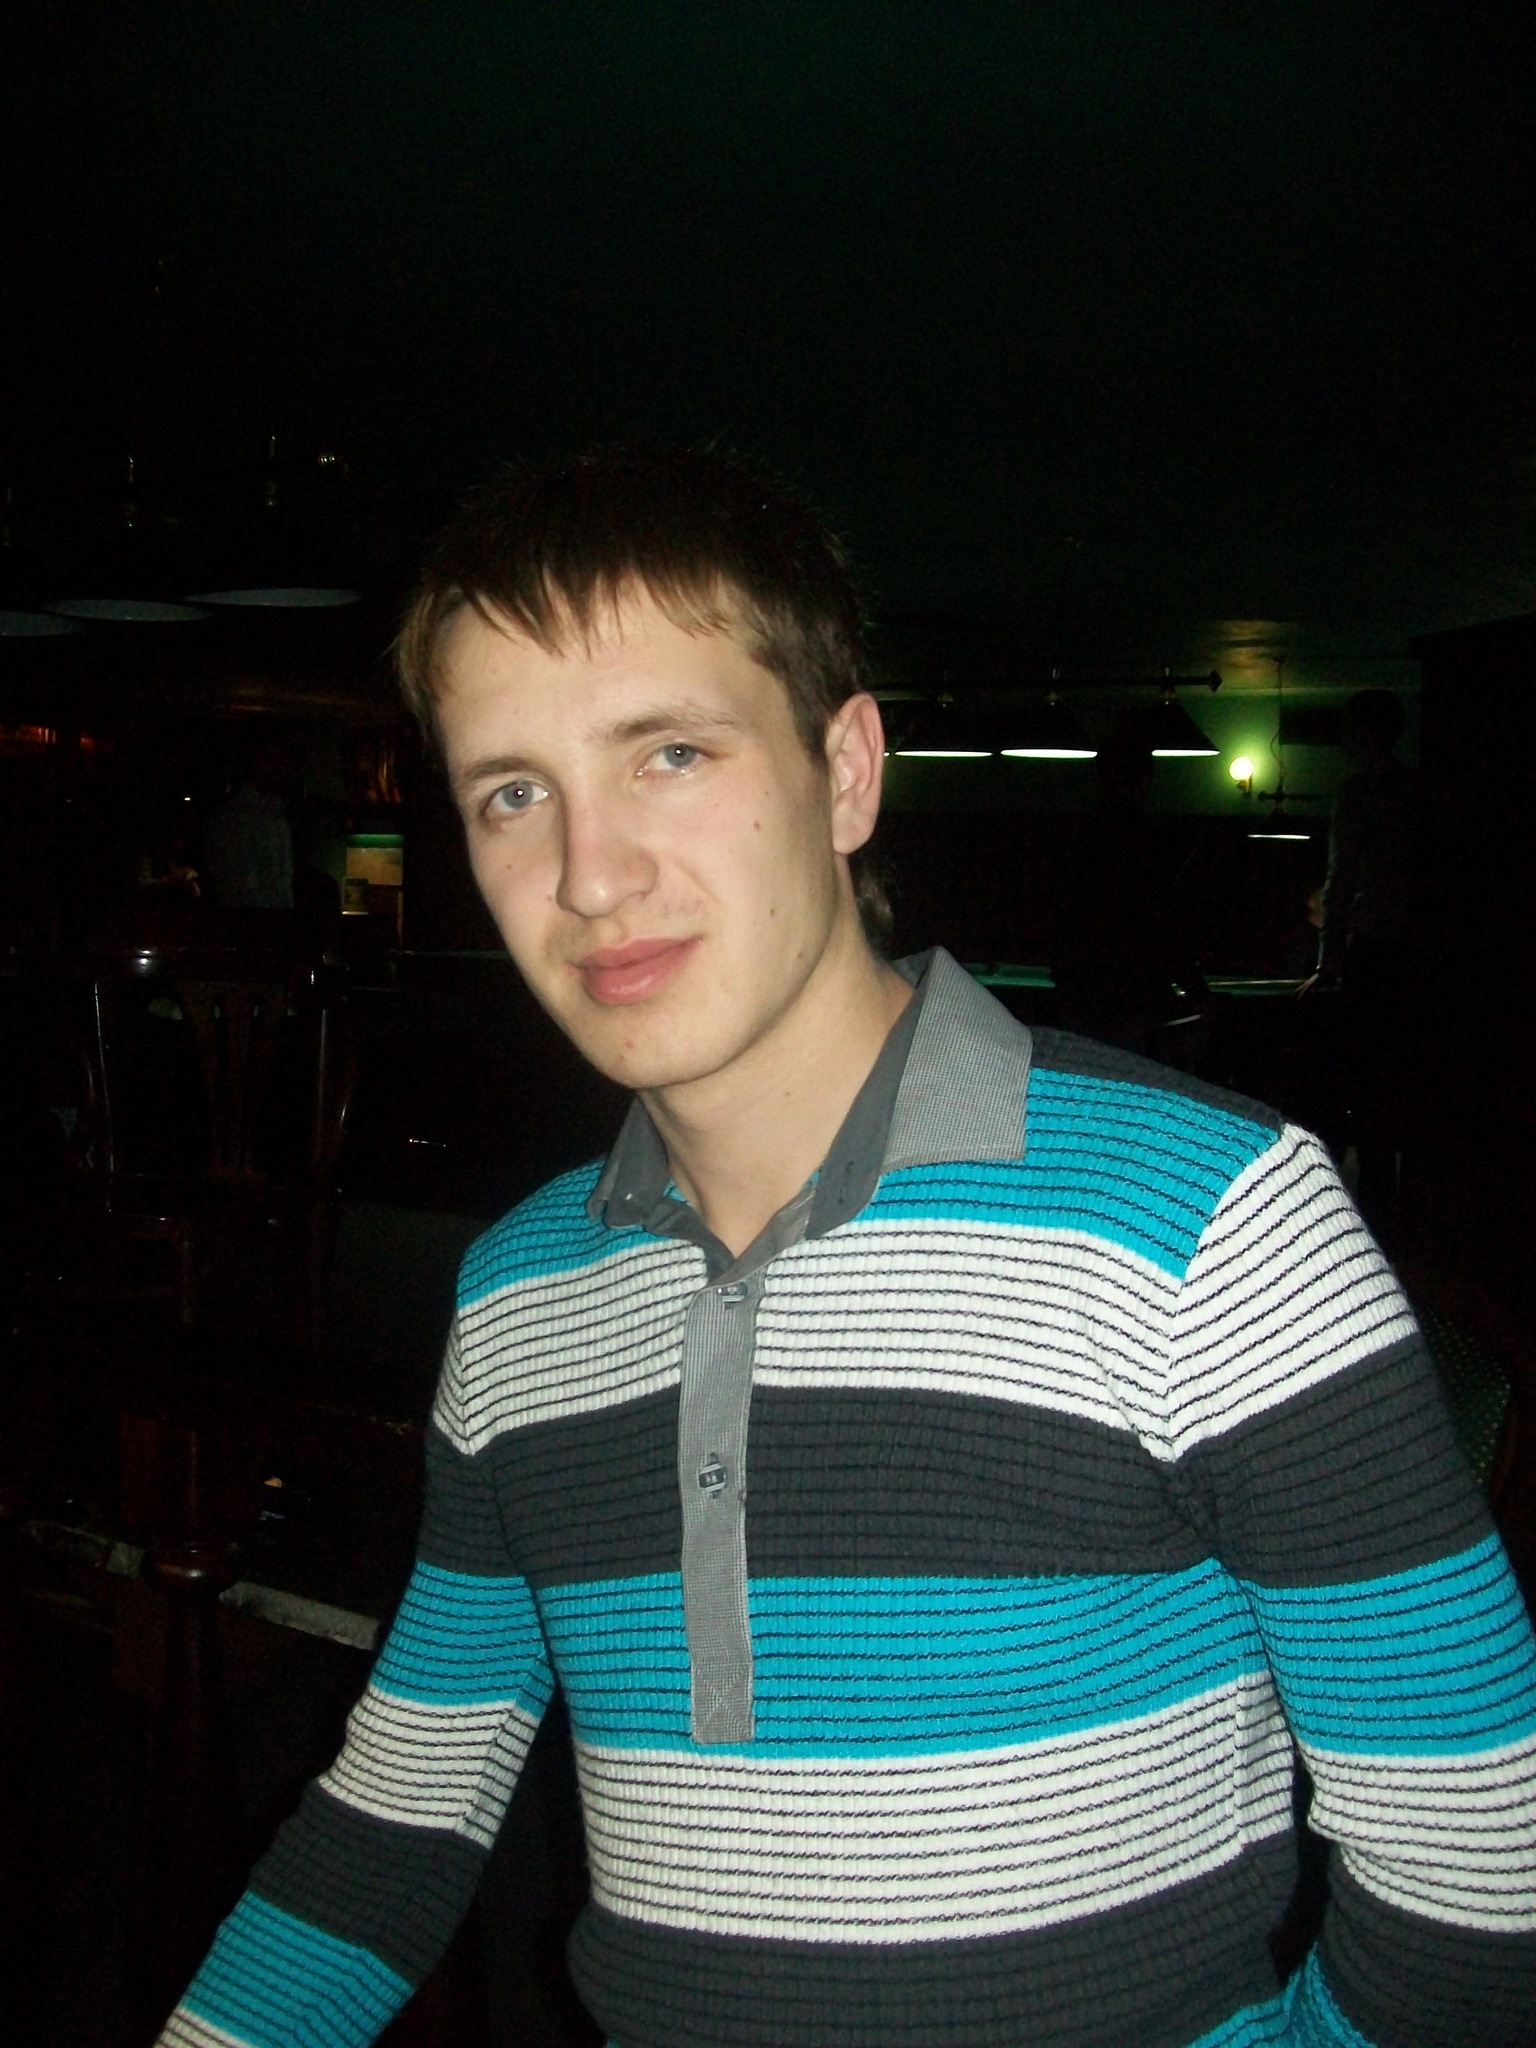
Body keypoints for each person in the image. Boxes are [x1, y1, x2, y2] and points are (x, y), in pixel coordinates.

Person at [159, 448, 1535, 2048]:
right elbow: (403, 1812)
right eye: (513, 792)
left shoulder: (1210, 1221)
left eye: (671, 753)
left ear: (847, 771)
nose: (589, 876)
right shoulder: (519, 1301)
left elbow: (1483, 1865)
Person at [202, 737, 296, 909]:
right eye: (273, 759)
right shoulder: (233, 819)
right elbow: (240, 888)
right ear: (257, 763)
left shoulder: (277, 817)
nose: (283, 768)